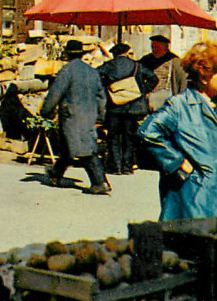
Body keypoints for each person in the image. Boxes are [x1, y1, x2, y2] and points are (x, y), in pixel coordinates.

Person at [138, 37, 217, 221]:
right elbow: (148, 132)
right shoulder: (180, 105)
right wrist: (178, 162)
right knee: (198, 244)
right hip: (195, 196)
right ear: (205, 75)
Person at [39, 38, 111, 195]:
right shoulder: (92, 72)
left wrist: (45, 111)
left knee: (84, 150)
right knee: (67, 147)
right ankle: (55, 175)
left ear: (67, 54)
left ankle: (100, 182)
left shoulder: (67, 71)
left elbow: (55, 93)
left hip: (72, 115)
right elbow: (101, 97)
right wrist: (100, 115)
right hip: (89, 115)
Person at [99, 42, 158, 175]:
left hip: (115, 106)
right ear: (126, 53)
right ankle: (127, 166)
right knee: (129, 137)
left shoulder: (109, 66)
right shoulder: (137, 65)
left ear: (114, 54)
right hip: (133, 106)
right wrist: (142, 91)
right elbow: (154, 78)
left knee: (113, 137)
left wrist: (107, 87)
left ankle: (116, 165)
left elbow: (96, 75)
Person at [140, 34, 187, 112]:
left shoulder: (174, 61)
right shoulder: (146, 59)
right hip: (148, 99)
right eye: (153, 47)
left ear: (166, 48)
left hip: (167, 99)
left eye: (157, 47)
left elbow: (182, 82)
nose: (154, 50)